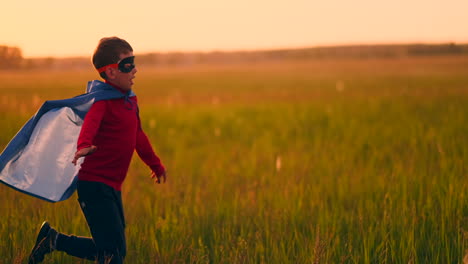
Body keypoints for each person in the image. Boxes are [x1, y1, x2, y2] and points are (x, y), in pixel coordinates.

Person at [28, 37, 166, 264]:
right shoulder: (103, 102)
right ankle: (54, 241)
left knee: (113, 251)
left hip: (112, 186)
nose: (135, 69)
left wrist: (155, 164)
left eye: (134, 62)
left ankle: (53, 240)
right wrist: (83, 146)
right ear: (111, 73)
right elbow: (89, 126)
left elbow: (138, 135)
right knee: (112, 254)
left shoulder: (129, 101)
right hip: (94, 186)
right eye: (128, 64)